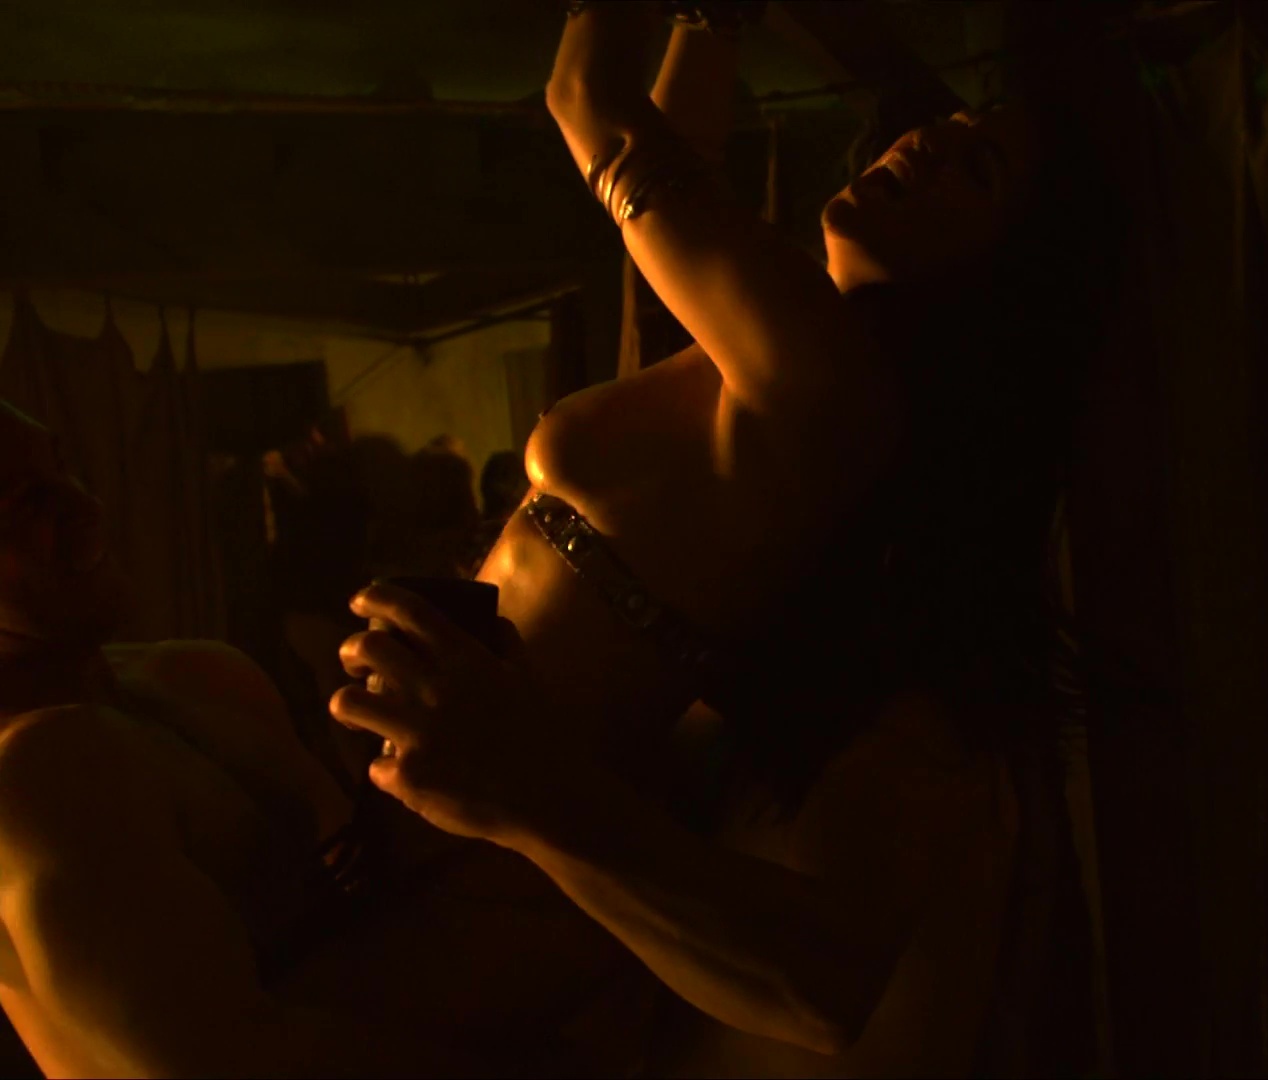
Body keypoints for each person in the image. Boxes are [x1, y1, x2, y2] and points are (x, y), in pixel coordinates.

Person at [331, 3, 1103, 1075]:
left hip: (481, 843)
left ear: (993, 274)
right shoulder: (783, 359)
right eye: (947, 123)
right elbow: (673, 147)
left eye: (975, 168)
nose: (925, 140)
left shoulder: (827, 381)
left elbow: (590, 103)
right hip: (447, 803)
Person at [0, 400, 651, 1077]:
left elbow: (380, 912)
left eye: (62, 471)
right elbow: (229, 1061)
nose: (84, 507)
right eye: (23, 504)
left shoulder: (195, 675)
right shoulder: (37, 776)